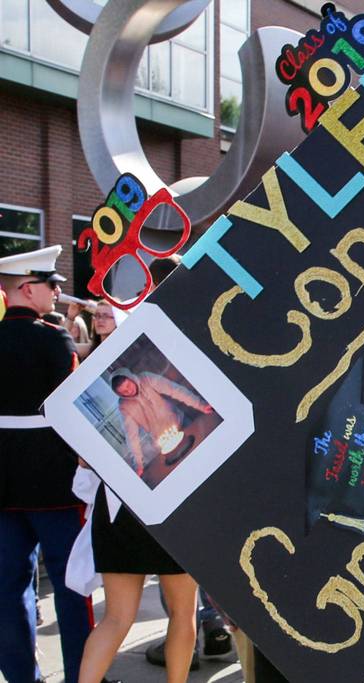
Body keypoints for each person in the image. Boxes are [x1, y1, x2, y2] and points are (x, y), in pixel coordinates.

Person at [77, 299, 201, 683]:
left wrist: (203, 407)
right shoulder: (114, 394)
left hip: (130, 502)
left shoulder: (98, 382)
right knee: (175, 613)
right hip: (157, 501)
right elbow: (129, 441)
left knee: (124, 616)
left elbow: (181, 398)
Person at [0, 245, 94, 683]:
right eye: (50, 285)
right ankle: (81, 675)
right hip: (54, 484)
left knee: (8, 591)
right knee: (71, 585)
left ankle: (22, 678)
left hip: (2, 485)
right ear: (25, 288)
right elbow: (74, 409)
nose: (57, 292)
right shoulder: (52, 338)